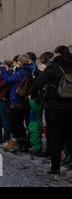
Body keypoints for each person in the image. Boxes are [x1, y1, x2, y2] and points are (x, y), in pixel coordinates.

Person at [31, 46, 72, 175]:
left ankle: (55, 167)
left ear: (58, 54)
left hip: (54, 107)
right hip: (70, 108)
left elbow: (37, 84)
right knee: (69, 137)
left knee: (55, 138)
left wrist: (35, 96)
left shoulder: (53, 67)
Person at [0, 53, 33, 152]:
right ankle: (22, 143)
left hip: (18, 101)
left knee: (16, 124)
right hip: (20, 100)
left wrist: (3, 70)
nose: (17, 62)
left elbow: (7, 79)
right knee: (17, 123)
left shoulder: (22, 72)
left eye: (19, 61)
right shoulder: (26, 71)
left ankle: (22, 144)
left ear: (22, 62)